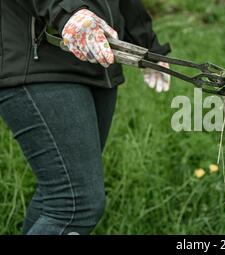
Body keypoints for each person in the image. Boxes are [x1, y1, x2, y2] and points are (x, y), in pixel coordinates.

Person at [0, 0, 171, 235]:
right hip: (37, 58)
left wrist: (146, 45)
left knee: (60, 196)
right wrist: (67, 10)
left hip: (96, 63)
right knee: (76, 205)